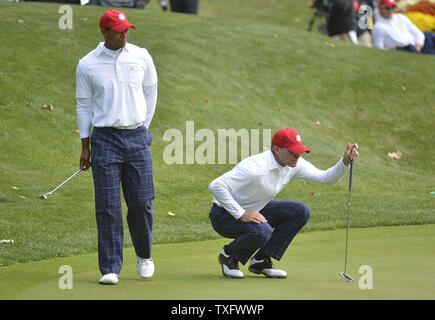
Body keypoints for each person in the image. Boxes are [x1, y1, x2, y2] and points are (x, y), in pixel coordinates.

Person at [208, 128, 359, 279]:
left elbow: (326, 178)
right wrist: (241, 213)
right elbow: (216, 186)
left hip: (255, 209)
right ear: (277, 150)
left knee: (299, 211)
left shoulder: (294, 163)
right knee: (263, 230)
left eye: (299, 151)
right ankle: (229, 256)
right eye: (293, 152)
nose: (297, 156)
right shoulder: (256, 167)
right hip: (224, 216)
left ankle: (261, 260)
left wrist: (345, 161)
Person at [76, 9, 158, 285]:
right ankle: (110, 267)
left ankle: (144, 255)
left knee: (142, 203)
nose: (125, 34)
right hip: (105, 139)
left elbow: (151, 90)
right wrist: (85, 146)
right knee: (108, 206)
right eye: (119, 30)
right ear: (104, 32)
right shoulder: (87, 64)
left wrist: (143, 126)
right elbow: (84, 105)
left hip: (137, 137)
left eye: (126, 30)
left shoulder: (141, 55)